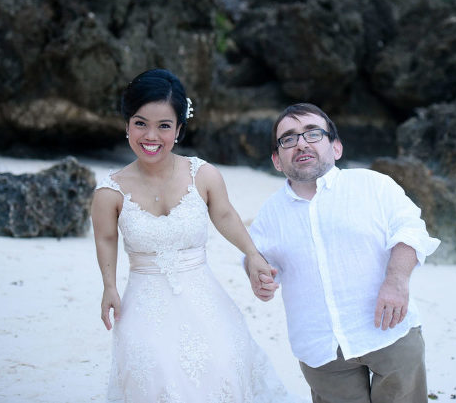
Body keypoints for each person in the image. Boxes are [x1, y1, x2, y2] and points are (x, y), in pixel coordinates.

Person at [91, 68, 301, 403]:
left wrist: (255, 255)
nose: (151, 136)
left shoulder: (202, 174)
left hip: (202, 293)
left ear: (178, 130)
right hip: (144, 298)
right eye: (140, 123)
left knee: (224, 361)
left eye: (164, 126)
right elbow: (105, 239)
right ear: (127, 124)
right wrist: (109, 287)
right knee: (154, 370)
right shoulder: (109, 191)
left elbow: (225, 215)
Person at [248, 103, 441, 403]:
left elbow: (411, 230)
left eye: (312, 133)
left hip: (389, 330)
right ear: (276, 159)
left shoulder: (373, 185)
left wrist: (397, 281)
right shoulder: (269, 215)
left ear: (336, 147)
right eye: (288, 138)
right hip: (320, 348)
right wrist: (257, 275)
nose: (301, 143)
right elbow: (256, 258)